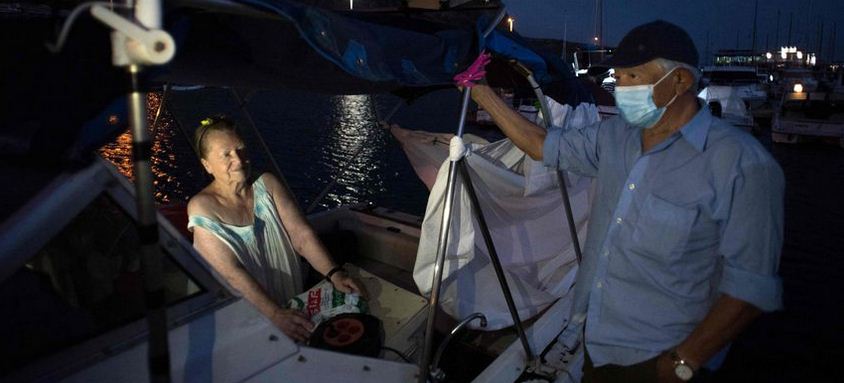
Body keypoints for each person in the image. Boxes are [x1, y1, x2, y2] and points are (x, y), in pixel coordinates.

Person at [466, 20, 784, 382]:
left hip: (661, 358)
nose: (621, 88)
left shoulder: (742, 164)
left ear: (679, 81)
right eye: (618, 78)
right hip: (595, 344)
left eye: (632, 77)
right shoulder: (615, 136)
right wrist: (483, 94)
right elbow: (543, 146)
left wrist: (683, 362)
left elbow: (751, 289)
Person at [186, 116, 364, 342]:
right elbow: (231, 273)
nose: (239, 161)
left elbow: (302, 236)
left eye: (241, 150)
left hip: (293, 298)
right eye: (226, 155)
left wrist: (334, 273)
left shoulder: (267, 183)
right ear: (206, 164)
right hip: (250, 315)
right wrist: (273, 314)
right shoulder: (202, 207)